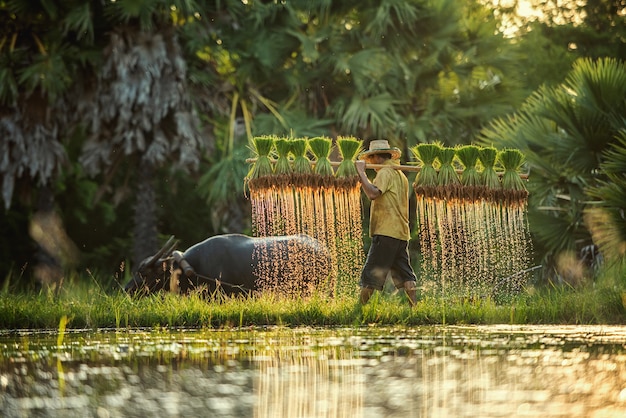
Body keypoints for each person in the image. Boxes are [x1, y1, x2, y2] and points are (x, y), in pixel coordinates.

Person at [355, 139, 418, 307]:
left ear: (376, 157)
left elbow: (373, 194)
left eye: (371, 159)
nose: (370, 164)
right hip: (401, 234)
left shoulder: (385, 172)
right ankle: (415, 309)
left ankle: (357, 311)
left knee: (371, 275)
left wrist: (361, 173)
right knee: (406, 276)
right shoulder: (401, 175)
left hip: (386, 232)